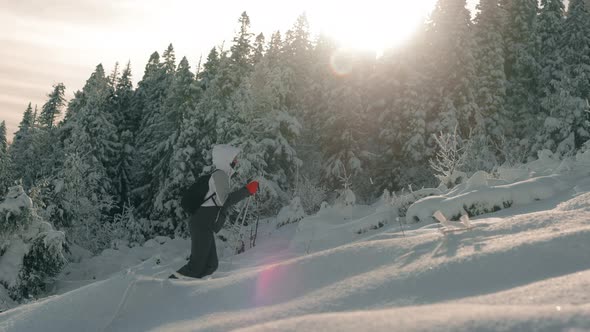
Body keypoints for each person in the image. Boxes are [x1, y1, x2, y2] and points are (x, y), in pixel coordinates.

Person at [171, 144, 259, 279]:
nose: (236, 161)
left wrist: (246, 191)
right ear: (226, 159)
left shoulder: (222, 176)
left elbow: (220, 203)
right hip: (201, 223)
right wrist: (247, 191)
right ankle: (168, 287)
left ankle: (191, 289)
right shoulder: (220, 175)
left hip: (205, 224)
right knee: (196, 266)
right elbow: (225, 201)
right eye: (234, 158)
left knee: (211, 265)